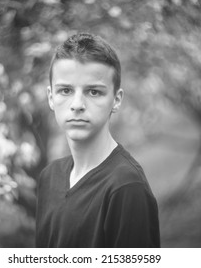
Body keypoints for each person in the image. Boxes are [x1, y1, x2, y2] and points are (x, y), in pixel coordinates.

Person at [35, 33, 160, 248]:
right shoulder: (49, 177)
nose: (77, 104)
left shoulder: (126, 187)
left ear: (116, 99)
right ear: (51, 98)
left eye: (93, 92)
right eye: (65, 90)